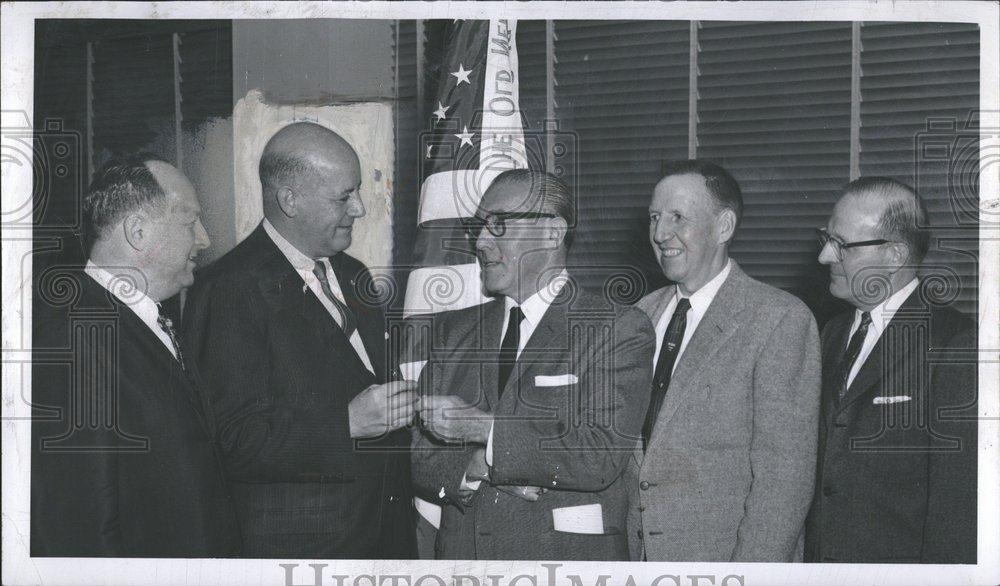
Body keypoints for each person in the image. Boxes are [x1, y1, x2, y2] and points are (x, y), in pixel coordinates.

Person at [182, 122, 417, 558]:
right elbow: (232, 441)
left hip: (384, 540)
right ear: (289, 200)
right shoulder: (228, 289)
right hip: (306, 555)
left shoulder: (352, 274)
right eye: (344, 196)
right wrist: (345, 424)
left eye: (358, 191)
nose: (360, 208)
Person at [411, 169, 655, 560]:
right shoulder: (452, 330)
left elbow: (598, 454)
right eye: (480, 226)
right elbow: (418, 453)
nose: (481, 241)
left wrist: (483, 432)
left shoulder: (616, 328)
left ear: (553, 233)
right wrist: (475, 468)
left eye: (499, 225)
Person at [31, 154, 240, 557]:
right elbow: (78, 529)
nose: (205, 238)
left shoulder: (142, 318)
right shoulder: (75, 337)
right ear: (139, 231)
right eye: (190, 221)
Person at [630, 160, 821, 561]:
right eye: (654, 217)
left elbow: (783, 481)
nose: (661, 233)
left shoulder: (779, 318)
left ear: (724, 227)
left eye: (678, 217)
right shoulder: (640, 315)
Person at [805, 177, 977, 563]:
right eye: (826, 239)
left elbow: (959, 509)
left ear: (895, 255)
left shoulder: (954, 344)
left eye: (842, 245)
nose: (825, 257)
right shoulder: (830, 333)